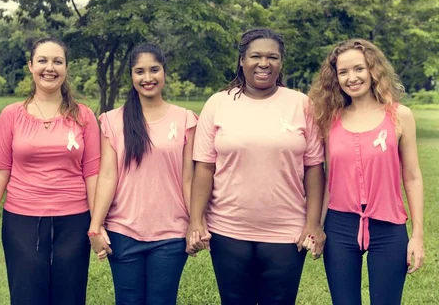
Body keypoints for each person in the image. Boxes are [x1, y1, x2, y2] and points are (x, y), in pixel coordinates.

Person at [187, 28, 325, 305]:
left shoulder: (301, 104)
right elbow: (204, 168)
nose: (264, 63)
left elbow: (314, 169)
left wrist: (313, 224)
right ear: (242, 60)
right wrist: (195, 220)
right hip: (228, 229)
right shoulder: (218, 103)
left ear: (281, 62)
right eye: (255, 56)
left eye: (272, 57)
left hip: (286, 232)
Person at [308, 39, 424, 305]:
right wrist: (318, 226)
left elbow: (413, 177)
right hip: (339, 226)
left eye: (359, 69)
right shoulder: (329, 119)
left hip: (388, 226)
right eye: (343, 72)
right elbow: (327, 179)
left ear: (373, 70)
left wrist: (417, 237)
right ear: (335, 78)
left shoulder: (399, 116)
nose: (352, 78)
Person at [0, 37, 100, 305]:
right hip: (22, 221)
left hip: (74, 220)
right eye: (42, 60)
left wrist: (97, 224)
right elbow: (0, 170)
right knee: (26, 296)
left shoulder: (83, 116)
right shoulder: (11, 115)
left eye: (57, 61)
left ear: (65, 68)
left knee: (70, 296)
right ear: (30, 66)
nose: (49, 68)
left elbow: (93, 172)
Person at [88, 43, 198, 305]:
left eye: (154, 70)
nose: (147, 78)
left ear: (164, 73)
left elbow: (189, 178)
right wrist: (96, 225)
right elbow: (107, 175)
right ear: (131, 76)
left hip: (171, 233)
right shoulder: (112, 120)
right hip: (123, 230)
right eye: (140, 71)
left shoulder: (185, 120)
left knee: (162, 300)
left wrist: (196, 223)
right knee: (128, 300)